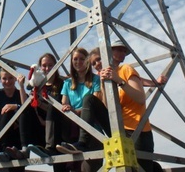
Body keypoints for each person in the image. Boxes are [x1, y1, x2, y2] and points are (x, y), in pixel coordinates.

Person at [58, 41, 158, 172]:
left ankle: (156, 168)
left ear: (107, 56)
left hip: (137, 129)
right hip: (117, 127)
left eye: (99, 59)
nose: (97, 64)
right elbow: (106, 107)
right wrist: (103, 84)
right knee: (89, 99)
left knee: (141, 168)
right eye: (93, 63)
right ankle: (83, 143)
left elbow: (140, 98)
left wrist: (119, 81)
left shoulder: (125, 69)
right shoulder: (103, 78)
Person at [0, 67, 25, 160]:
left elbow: (28, 112)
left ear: (15, 78)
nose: (7, 81)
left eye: (10, 78)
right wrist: (4, 120)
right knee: (7, 112)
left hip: (16, 139)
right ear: (0, 80)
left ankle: (12, 151)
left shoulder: (20, 94)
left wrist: (16, 107)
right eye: (4, 78)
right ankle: (5, 148)